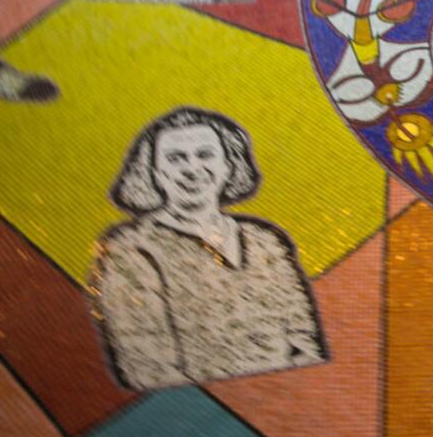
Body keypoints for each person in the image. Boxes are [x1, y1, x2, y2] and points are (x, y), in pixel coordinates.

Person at [90, 107, 326, 390]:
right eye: (176, 158)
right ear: (153, 171)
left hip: (292, 400)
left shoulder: (264, 240)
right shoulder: (130, 249)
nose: (192, 168)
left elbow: (304, 339)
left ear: (228, 165)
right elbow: (147, 367)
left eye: (205, 154)